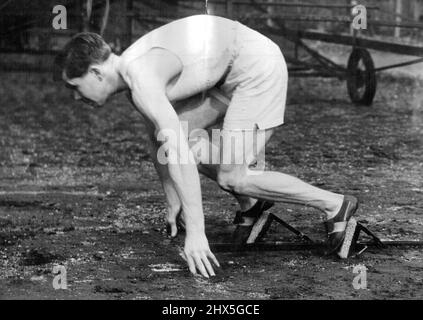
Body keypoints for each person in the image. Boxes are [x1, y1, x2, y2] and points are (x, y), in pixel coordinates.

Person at [54, 14, 358, 278]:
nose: (76, 98)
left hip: (255, 66)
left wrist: (197, 233)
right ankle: (252, 204)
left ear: (95, 73)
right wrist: (173, 197)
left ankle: (334, 204)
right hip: (227, 73)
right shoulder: (134, 81)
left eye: (75, 87)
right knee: (176, 141)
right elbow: (159, 140)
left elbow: (178, 155)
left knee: (232, 175)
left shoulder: (141, 76)